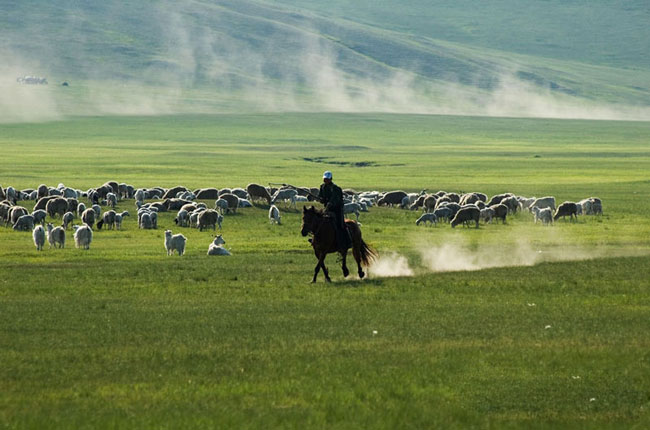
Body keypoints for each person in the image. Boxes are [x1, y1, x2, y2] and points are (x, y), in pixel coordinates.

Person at [318, 171, 351, 250]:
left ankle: (348, 241)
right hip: (327, 209)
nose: (325, 180)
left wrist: (331, 203)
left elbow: (337, 199)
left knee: (341, 225)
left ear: (331, 179)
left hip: (337, 210)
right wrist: (321, 199)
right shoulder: (322, 187)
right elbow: (320, 196)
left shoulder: (336, 189)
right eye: (325, 179)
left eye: (327, 179)